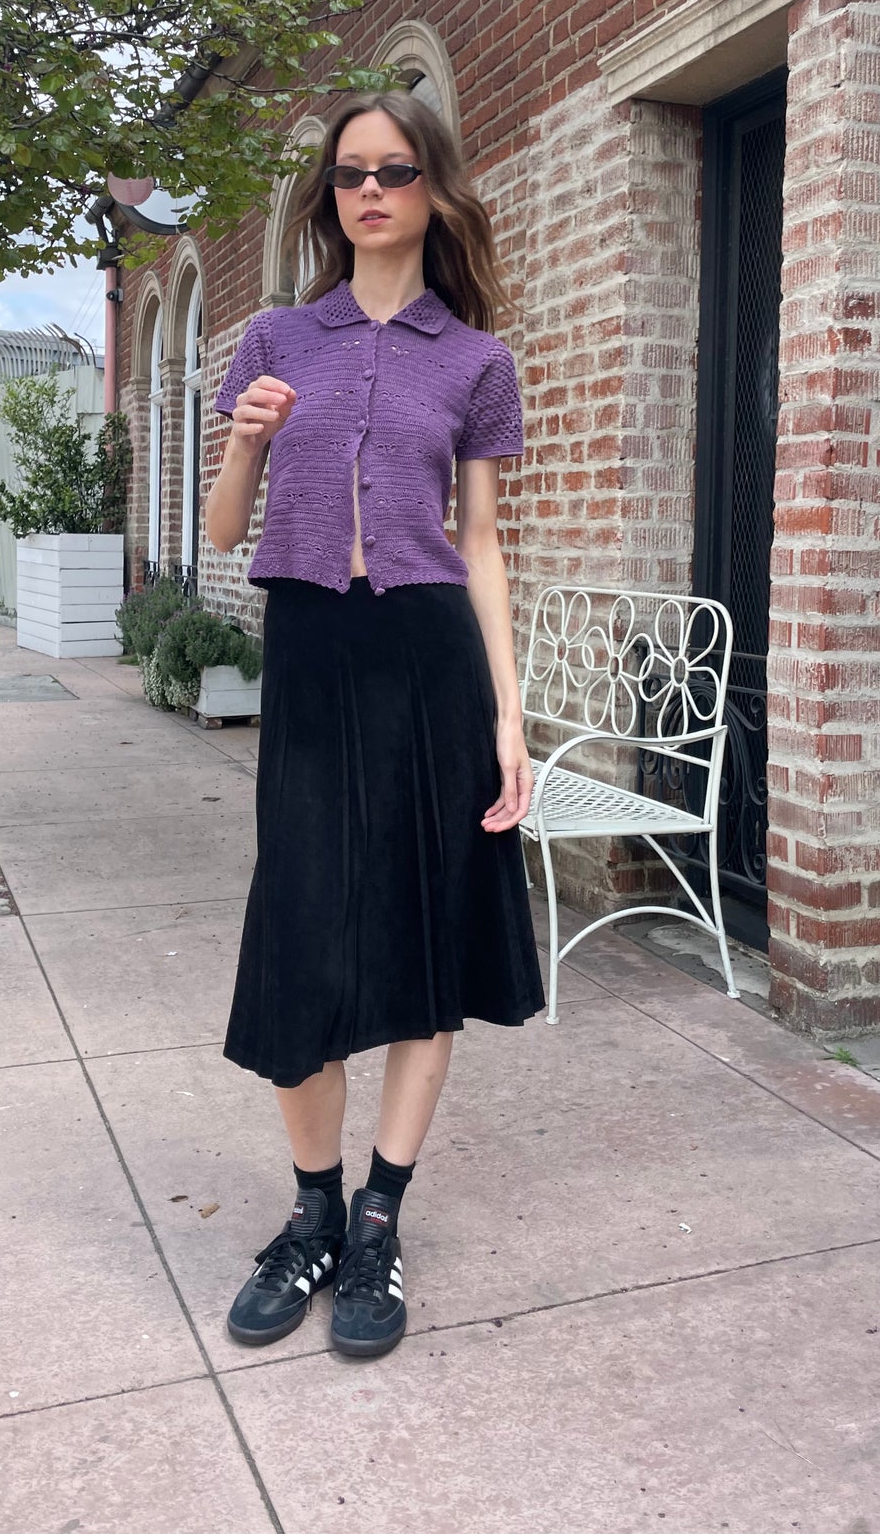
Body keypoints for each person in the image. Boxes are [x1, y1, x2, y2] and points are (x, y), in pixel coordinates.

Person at [205, 90, 543, 1360]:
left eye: (395, 169)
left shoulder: (475, 361)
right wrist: (243, 441)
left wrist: (508, 716)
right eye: (350, 172)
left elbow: (484, 547)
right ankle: (310, 1216)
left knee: (419, 939)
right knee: (300, 936)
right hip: (310, 656)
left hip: (428, 662)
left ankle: (379, 1222)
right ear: (328, 195)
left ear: (430, 190)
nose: (371, 189)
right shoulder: (275, 336)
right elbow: (229, 531)